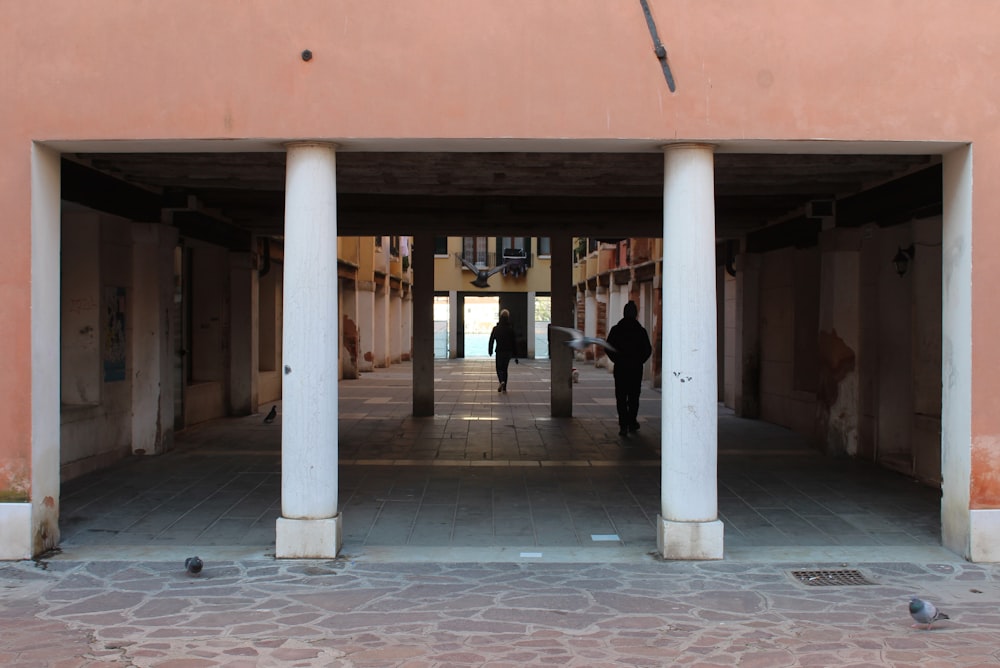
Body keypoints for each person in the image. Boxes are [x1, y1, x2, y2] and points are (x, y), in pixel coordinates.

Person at [605, 300, 652, 436]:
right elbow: (647, 349)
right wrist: (639, 361)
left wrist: (617, 360)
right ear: (636, 314)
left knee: (621, 396)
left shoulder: (616, 329)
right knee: (634, 397)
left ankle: (623, 424)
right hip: (635, 369)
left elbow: (608, 347)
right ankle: (632, 421)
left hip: (621, 369)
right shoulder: (640, 331)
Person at [488, 309, 517, 393]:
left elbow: (491, 340)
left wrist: (490, 350)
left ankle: (501, 381)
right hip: (508, 352)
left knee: (499, 368)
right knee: (505, 369)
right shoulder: (510, 329)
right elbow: (514, 342)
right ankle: (504, 388)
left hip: (499, 350)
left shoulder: (496, 328)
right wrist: (515, 355)